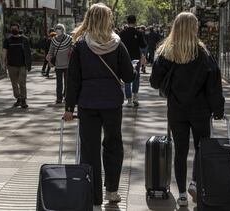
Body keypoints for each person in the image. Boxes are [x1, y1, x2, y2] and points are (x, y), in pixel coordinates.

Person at [63, 3, 135, 208]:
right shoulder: (117, 44)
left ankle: (93, 195)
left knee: (90, 149)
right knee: (113, 145)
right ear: (107, 20)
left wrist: (69, 108)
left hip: (87, 104)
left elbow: (73, 80)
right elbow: (129, 76)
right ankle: (112, 190)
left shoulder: (80, 46)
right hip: (112, 103)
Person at [150, 12, 225, 207]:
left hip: (176, 109)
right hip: (200, 109)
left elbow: (154, 81)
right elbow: (214, 85)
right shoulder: (203, 53)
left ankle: (182, 194)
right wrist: (218, 109)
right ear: (193, 28)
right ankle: (195, 182)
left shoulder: (166, 52)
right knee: (202, 148)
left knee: (180, 151)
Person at [119, 15, 147, 107]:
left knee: (127, 77)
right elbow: (143, 45)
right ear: (135, 22)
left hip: (125, 58)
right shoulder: (138, 33)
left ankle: (129, 100)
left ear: (127, 22)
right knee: (136, 77)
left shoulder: (122, 33)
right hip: (136, 58)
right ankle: (135, 97)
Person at [3, 23, 32, 109]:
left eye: (15, 28)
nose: (14, 30)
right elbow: (4, 51)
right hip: (11, 65)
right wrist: (3, 62)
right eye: (12, 28)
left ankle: (23, 99)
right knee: (14, 83)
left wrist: (29, 65)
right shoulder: (7, 40)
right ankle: (18, 98)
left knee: (22, 82)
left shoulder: (24, 40)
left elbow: (28, 53)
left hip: (22, 65)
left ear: (19, 29)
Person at [46, 24, 72, 104]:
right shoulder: (53, 40)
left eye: (59, 28)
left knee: (67, 82)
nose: (58, 30)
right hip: (58, 65)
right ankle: (59, 98)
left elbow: (73, 50)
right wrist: (49, 62)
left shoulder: (69, 39)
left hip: (68, 64)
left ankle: (67, 96)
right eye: (56, 28)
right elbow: (50, 52)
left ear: (63, 29)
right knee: (59, 82)